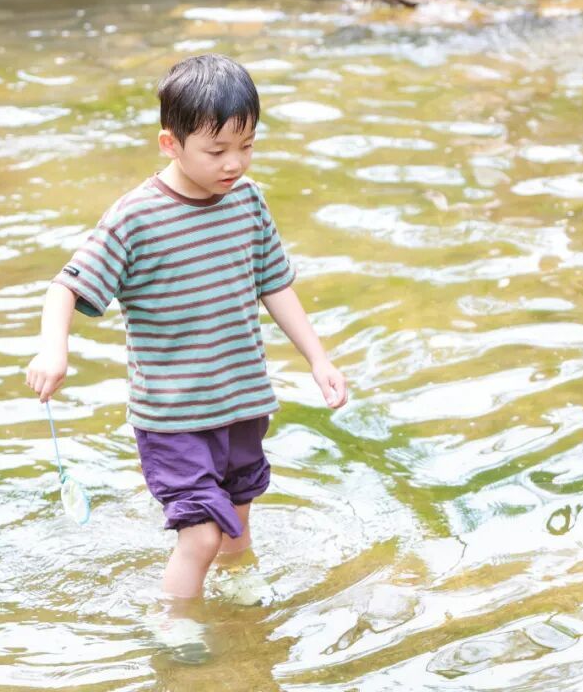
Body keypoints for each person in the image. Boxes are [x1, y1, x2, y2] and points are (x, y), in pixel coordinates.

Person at [26, 53, 348, 660]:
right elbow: (65, 286)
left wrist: (318, 359)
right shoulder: (136, 218)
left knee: (239, 518)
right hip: (173, 417)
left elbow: (275, 284)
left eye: (246, 146)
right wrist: (54, 350)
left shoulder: (248, 201)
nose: (234, 164)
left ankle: (242, 591)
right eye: (216, 150)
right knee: (200, 534)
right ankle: (172, 621)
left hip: (242, 402)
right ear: (170, 144)